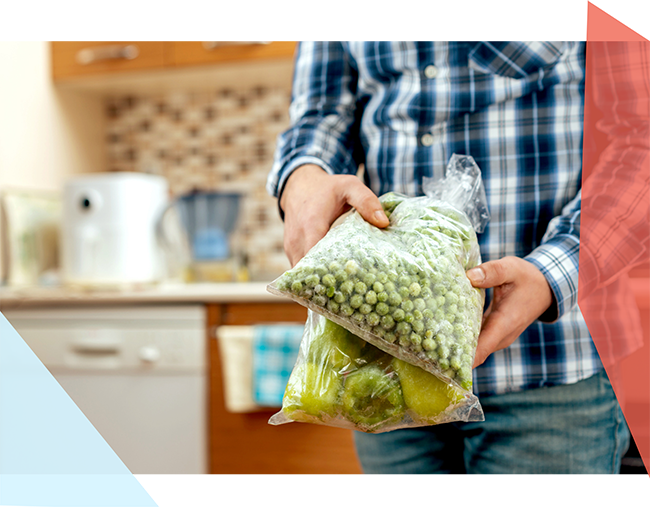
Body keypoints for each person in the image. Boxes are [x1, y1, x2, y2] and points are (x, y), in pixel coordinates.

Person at [267, 41, 631, 476]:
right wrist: (304, 176)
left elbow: (639, 136)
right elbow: (320, 116)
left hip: (553, 359)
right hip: (381, 360)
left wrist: (556, 271)